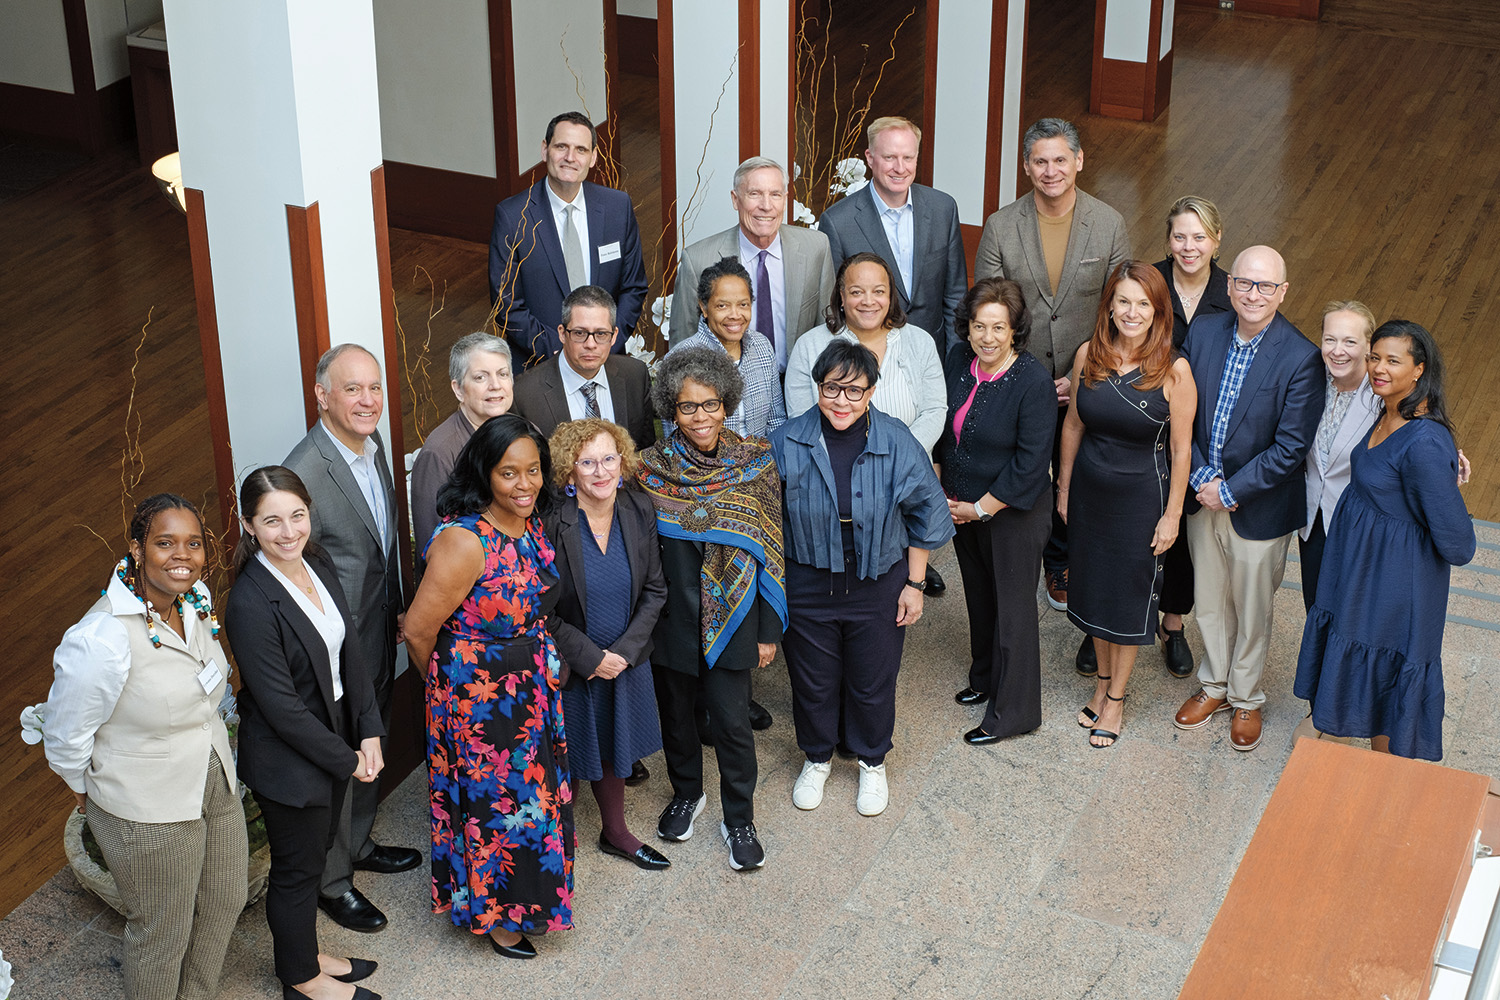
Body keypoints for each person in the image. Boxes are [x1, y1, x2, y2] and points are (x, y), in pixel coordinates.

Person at [44, 494, 247, 1000]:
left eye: (193, 544)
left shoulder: (194, 598)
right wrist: (82, 792)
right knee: (163, 931)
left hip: (212, 775)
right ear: (136, 549)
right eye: (165, 543)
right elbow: (65, 735)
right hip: (147, 805)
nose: (183, 555)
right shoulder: (101, 638)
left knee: (225, 900)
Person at [404, 414, 573, 959]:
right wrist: (453, 695)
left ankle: (533, 901)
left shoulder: (528, 523)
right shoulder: (465, 540)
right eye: (508, 474)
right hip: (478, 703)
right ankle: (497, 918)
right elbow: (419, 630)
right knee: (496, 813)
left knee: (533, 803)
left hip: (529, 690)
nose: (524, 485)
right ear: (484, 474)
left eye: (533, 471)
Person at [974, 118, 1130, 673]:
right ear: (1025, 167)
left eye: (1060, 160)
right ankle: (1041, 561)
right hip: (1018, 377)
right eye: (1039, 161)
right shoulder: (999, 226)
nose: (1050, 171)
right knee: (1026, 470)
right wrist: (1030, 377)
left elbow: (1121, 307)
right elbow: (991, 305)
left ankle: (1074, 574)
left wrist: (1086, 363)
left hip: (1089, 374)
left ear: (1079, 161)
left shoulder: (1108, 224)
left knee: (1082, 479)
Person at [771, 340, 952, 816]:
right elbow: (765, 519)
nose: (842, 401)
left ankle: (872, 763)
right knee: (813, 680)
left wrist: (913, 585)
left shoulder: (895, 439)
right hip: (807, 580)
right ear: (818, 386)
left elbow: (926, 513)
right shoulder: (786, 439)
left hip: (878, 579)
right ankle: (816, 758)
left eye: (854, 390)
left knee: (873, 679)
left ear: (872, 391)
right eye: (832, 388)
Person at [224, 468, 385, 1000]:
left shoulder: (315, 562)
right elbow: (282, 709)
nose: (288, 531)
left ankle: (306, 953)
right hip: (289, 758)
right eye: (272, 521)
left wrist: (369, 730)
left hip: (334, 736)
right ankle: (300, 978)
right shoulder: (249, 602)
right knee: (297, 872)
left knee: (314, 859)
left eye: (297, 515)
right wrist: (346, 759)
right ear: (250, 526)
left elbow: (352, 653)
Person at [283, 343, 418, 933]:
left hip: (378, 623)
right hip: (339, 645)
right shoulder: (305, 472)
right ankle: (332, 882)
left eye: (374, 388)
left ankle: (359, 846)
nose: (368, 401)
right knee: (344, 756)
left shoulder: (372, 444)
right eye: (352, 389)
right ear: (321, 397)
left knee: (374, 739)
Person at [1294, 321, 1475, 760]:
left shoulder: (1425, 442)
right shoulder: (1388, 408)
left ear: (1419, 370)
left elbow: (1460, 545)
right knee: (1376, 681)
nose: (1378, 368)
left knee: (1391, 681)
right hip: (1363, 570)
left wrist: (1443, 480)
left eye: (1393, 361)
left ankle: (1387, 786)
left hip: (1395, 587)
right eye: (1375, 357)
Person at [637, 347, 786, 871]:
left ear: (727, 404)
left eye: (710, 404)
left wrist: (769, 630)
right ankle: (687, 794)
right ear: (670, 411)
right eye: (687, 407)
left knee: (730, 723)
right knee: (677, 717)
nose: (700, 417)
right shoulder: (649, 470)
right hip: (671, 620)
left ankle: (738, 818)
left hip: (737, 617)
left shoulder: (756, 462)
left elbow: (772, 547)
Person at [1172, 246, 1324, 752]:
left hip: (1258, 506)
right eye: (1244, 283)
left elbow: (1291, 448)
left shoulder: (1301, 357)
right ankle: (1214, 684)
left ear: (1283, 291)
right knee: (1211, 599)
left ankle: (1246, 697)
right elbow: (1182, 414)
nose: (1253, 295)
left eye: (1265, 286)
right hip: (1201, 492)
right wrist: (1199, 478)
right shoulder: (1206, 331)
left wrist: (1229, 489)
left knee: (1253, 607)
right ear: (1230, 284)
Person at [1057, 263, 1196, 748]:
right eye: (1123, 302)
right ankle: (1099, 686)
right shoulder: (1087, 355)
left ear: (1158, 311)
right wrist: (1064, 489)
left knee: (1129, 596)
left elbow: (1182, 450)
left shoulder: (1173, 369)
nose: (1132, 312)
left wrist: (1174, 513)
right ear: (1109, 307)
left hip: (1142, 497)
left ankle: (1116, 698)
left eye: (1144, 303)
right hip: (1091, 493)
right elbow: (1073, 425)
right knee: (1094, 589)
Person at [544, 418, 670, 870]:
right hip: (573, 663)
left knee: (615, 746)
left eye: (609, 459)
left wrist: (623, 655)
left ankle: (615, 831)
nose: (601, 471)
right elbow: (542, 609)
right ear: (570, 470)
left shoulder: (640, 510)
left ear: (623, 461)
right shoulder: (551, 524)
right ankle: (557, 840)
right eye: (588, 462)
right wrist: (591, 658)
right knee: (569, 751)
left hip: (624, 660)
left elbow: (656, 589)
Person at [938, 279, 1058, 744]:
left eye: (998, 328)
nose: (987, 337)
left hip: (1013, 514)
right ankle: (985, 678)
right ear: (966, 328)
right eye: (978, 326)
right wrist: (950, 499)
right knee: (981, 601)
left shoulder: (1031, 380)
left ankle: (1015, 713)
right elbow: (943, 430)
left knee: (1013, 614)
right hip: (962, 508)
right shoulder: (957, 363)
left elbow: (1030, 465)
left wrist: (980, 509)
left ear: (1014, 331)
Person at [784, 252, 947, 592]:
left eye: (879, 291)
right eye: (856, 291)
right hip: (829, 468)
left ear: (891, 296)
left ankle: (910, 571)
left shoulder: (919, 342)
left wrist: (899, 458)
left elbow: (935, 409)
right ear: (840, 297)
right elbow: (801, 419)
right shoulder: (811, 345)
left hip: (904, 466)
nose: (868, 301)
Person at [488, 110, 649, 368]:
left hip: (606, 361)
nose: (570, 158)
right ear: (545, 150)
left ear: (593, 157)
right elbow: (506, 305)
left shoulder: (618, 207)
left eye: (581, 150)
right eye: (561, 147)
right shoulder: (512, 216)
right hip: (540, 365)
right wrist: (559, 350)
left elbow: (634, 287)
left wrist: (604, 344)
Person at [1151, 196, 1232, 675]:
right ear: (1167, 240)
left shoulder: (1233, 290)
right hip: (1143, 415)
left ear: (1217, 241)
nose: (1188, 246)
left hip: (1201, 425)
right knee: (1131, 521)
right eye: (1180, 236)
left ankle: (1173, 622)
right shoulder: (1149, 281)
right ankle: (1110, 622)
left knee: (1181, 526)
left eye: (1199, 237)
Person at [817, 116, 967, 353]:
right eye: (889, 157)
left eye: (908, 157)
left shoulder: (943, 209)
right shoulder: (837, 222)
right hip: (868, 360)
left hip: (933, 355)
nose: (900, 168)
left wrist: (955, 362)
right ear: (869, 158)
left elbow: (955, 297)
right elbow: (836, 306)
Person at [670, 156, 836, 370]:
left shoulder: (816, 247)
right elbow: (683, 343)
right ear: (735, 199)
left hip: (799, 382)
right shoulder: (698, 260)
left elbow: (827, 327)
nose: (766, 206)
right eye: (754, 194)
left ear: (785, 199)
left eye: (775, 195)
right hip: (728, 389)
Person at [1298, 301, 1381, 610]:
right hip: (1313, 520)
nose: (1337, 350)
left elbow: (1417, 432)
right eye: (1330, 339)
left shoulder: (1382, 395)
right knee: (1315, 608)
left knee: (1350, 616)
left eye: (1350, 341)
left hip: (1359, 528)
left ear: (1369, 346)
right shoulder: (1310, 380)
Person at [410, 332, 513, 576]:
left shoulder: (526, 434)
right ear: (458, 389)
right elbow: (433, 548)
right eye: (481, 377)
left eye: (503, 374)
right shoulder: (439, 453)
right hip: (469, 595)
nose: (495, 385)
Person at [512, 284, 657, 449]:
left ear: (614, 335)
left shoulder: (635, 375)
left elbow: (645, 453)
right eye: (580, 333)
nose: (590, 344)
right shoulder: (524, 395)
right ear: (562, 333)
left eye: (601, 334)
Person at [667, 256, 787, 439]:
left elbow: (776, 421)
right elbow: (673, 438)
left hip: (760, 462)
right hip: (702, 466)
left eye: (743, 305)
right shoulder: (681, 357)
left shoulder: (761, 347)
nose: (735, 315)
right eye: (722, 306)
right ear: (704, 307)